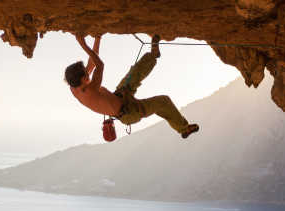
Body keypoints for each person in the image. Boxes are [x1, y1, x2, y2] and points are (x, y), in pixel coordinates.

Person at [65, 33, 199, 138]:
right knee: (163, 101)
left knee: (135, 72)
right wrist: (83, 44)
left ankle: (153, 54)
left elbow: (92, 63)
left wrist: (97, 38)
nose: (88, 72)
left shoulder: (74, 86)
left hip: (122, 95)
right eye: (86, 74)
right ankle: (183, 129)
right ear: (83, 79)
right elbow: (99, 65)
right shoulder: (90, 90)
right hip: (129, 112)